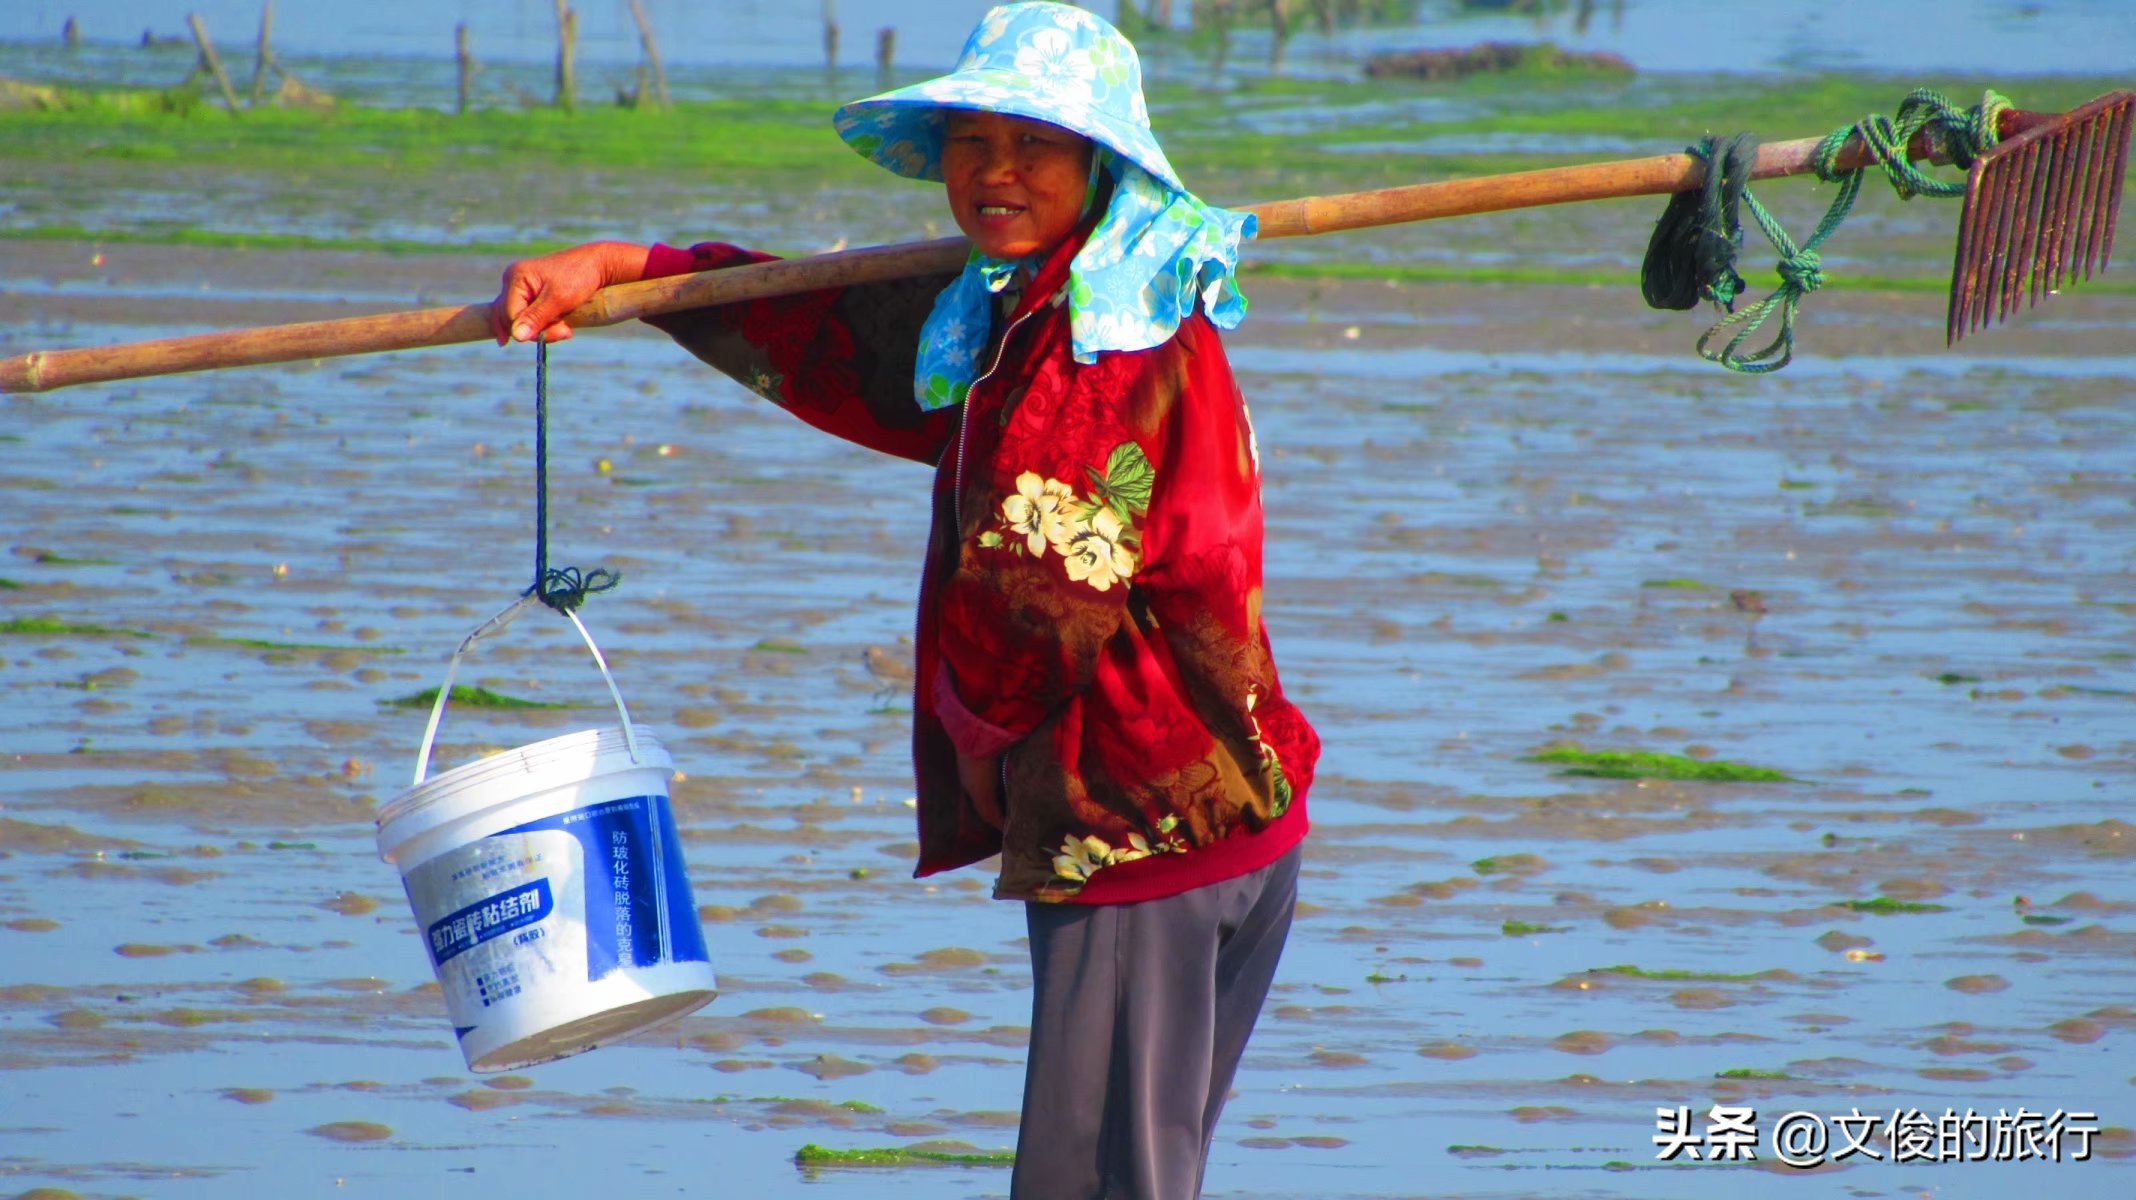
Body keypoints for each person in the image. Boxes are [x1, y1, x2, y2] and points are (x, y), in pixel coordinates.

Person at [489, 5, 1318, 1195]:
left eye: (1034, 145)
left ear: (1101, 161)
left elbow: (1036, 592)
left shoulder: (1099, 338)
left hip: (1141, 830)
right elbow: (852, 336)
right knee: (1146, 1168)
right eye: (972, 144)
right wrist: (637, 272)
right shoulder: (1053, 299)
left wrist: (977, 743)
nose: (995, 172)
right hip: (1231, 815)